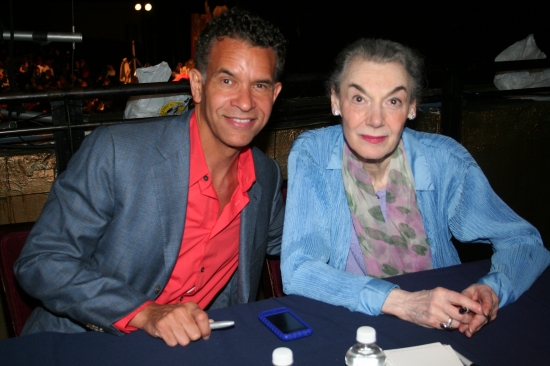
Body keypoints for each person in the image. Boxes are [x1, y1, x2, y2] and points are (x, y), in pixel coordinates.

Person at [15, 8, 286, 347]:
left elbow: (290, 243)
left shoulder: (266, 175)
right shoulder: (117, 153)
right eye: (227, 80)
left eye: (259, 85)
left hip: (191, 349)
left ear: (274, 95)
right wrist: (144, 313)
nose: (245, 102)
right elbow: (41, 261)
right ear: (198, 85)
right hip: (83, 345)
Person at [281, 38, 550, 338]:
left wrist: (492, 287)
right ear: (335, 101)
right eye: (359, 99)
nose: (375, 119)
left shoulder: (443, 160)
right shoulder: (313, 154)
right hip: (353, 328)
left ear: (411, 108)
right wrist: (406, 303)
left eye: (393, 101)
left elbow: (524, 242)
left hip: (444, 324)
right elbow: (300, 269)